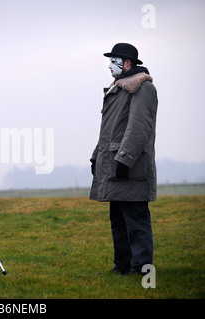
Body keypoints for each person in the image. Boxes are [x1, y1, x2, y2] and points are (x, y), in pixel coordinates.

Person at [89, 43, 158, 275]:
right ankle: (123, 266)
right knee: (118, 220)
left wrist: (125, 160)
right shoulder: (117, 89)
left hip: (130, 167)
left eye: (114, 61)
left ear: (127, 63)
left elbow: (139, 127)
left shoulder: (142, 88)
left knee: (136, 221)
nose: (109, 66)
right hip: (113, 165)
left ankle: (142, 269)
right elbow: (108, 131)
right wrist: (96, 157)